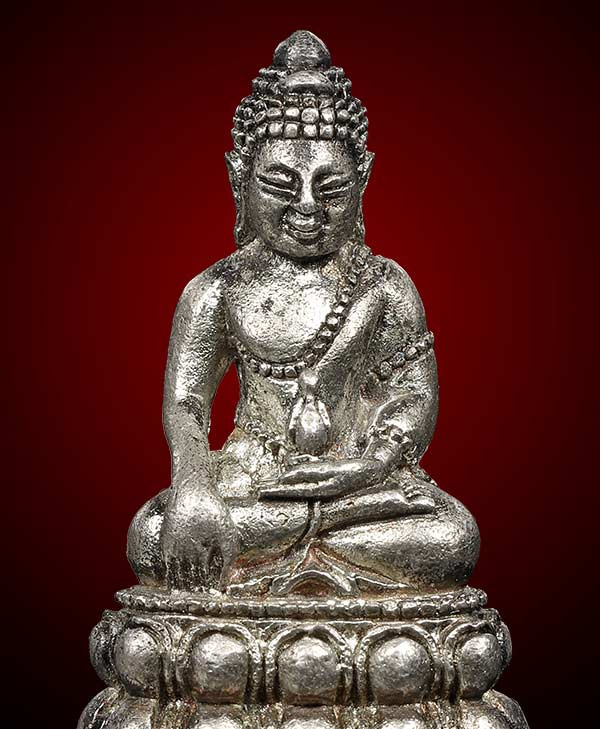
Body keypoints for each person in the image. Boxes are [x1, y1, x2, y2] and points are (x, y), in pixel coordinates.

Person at [127, 31, 479, 596]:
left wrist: (366, 467)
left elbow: (413, 396)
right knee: (152, 533)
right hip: (253, 480)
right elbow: (187, 403)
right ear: (239, 178)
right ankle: (313, 543)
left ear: (363, 179)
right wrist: (193, 484)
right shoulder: (217, 289)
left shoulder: (383, 285)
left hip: (360, 484)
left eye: (331, 186)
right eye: (280, 184)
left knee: (451, 537)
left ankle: (301, 542)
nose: (308, 207)